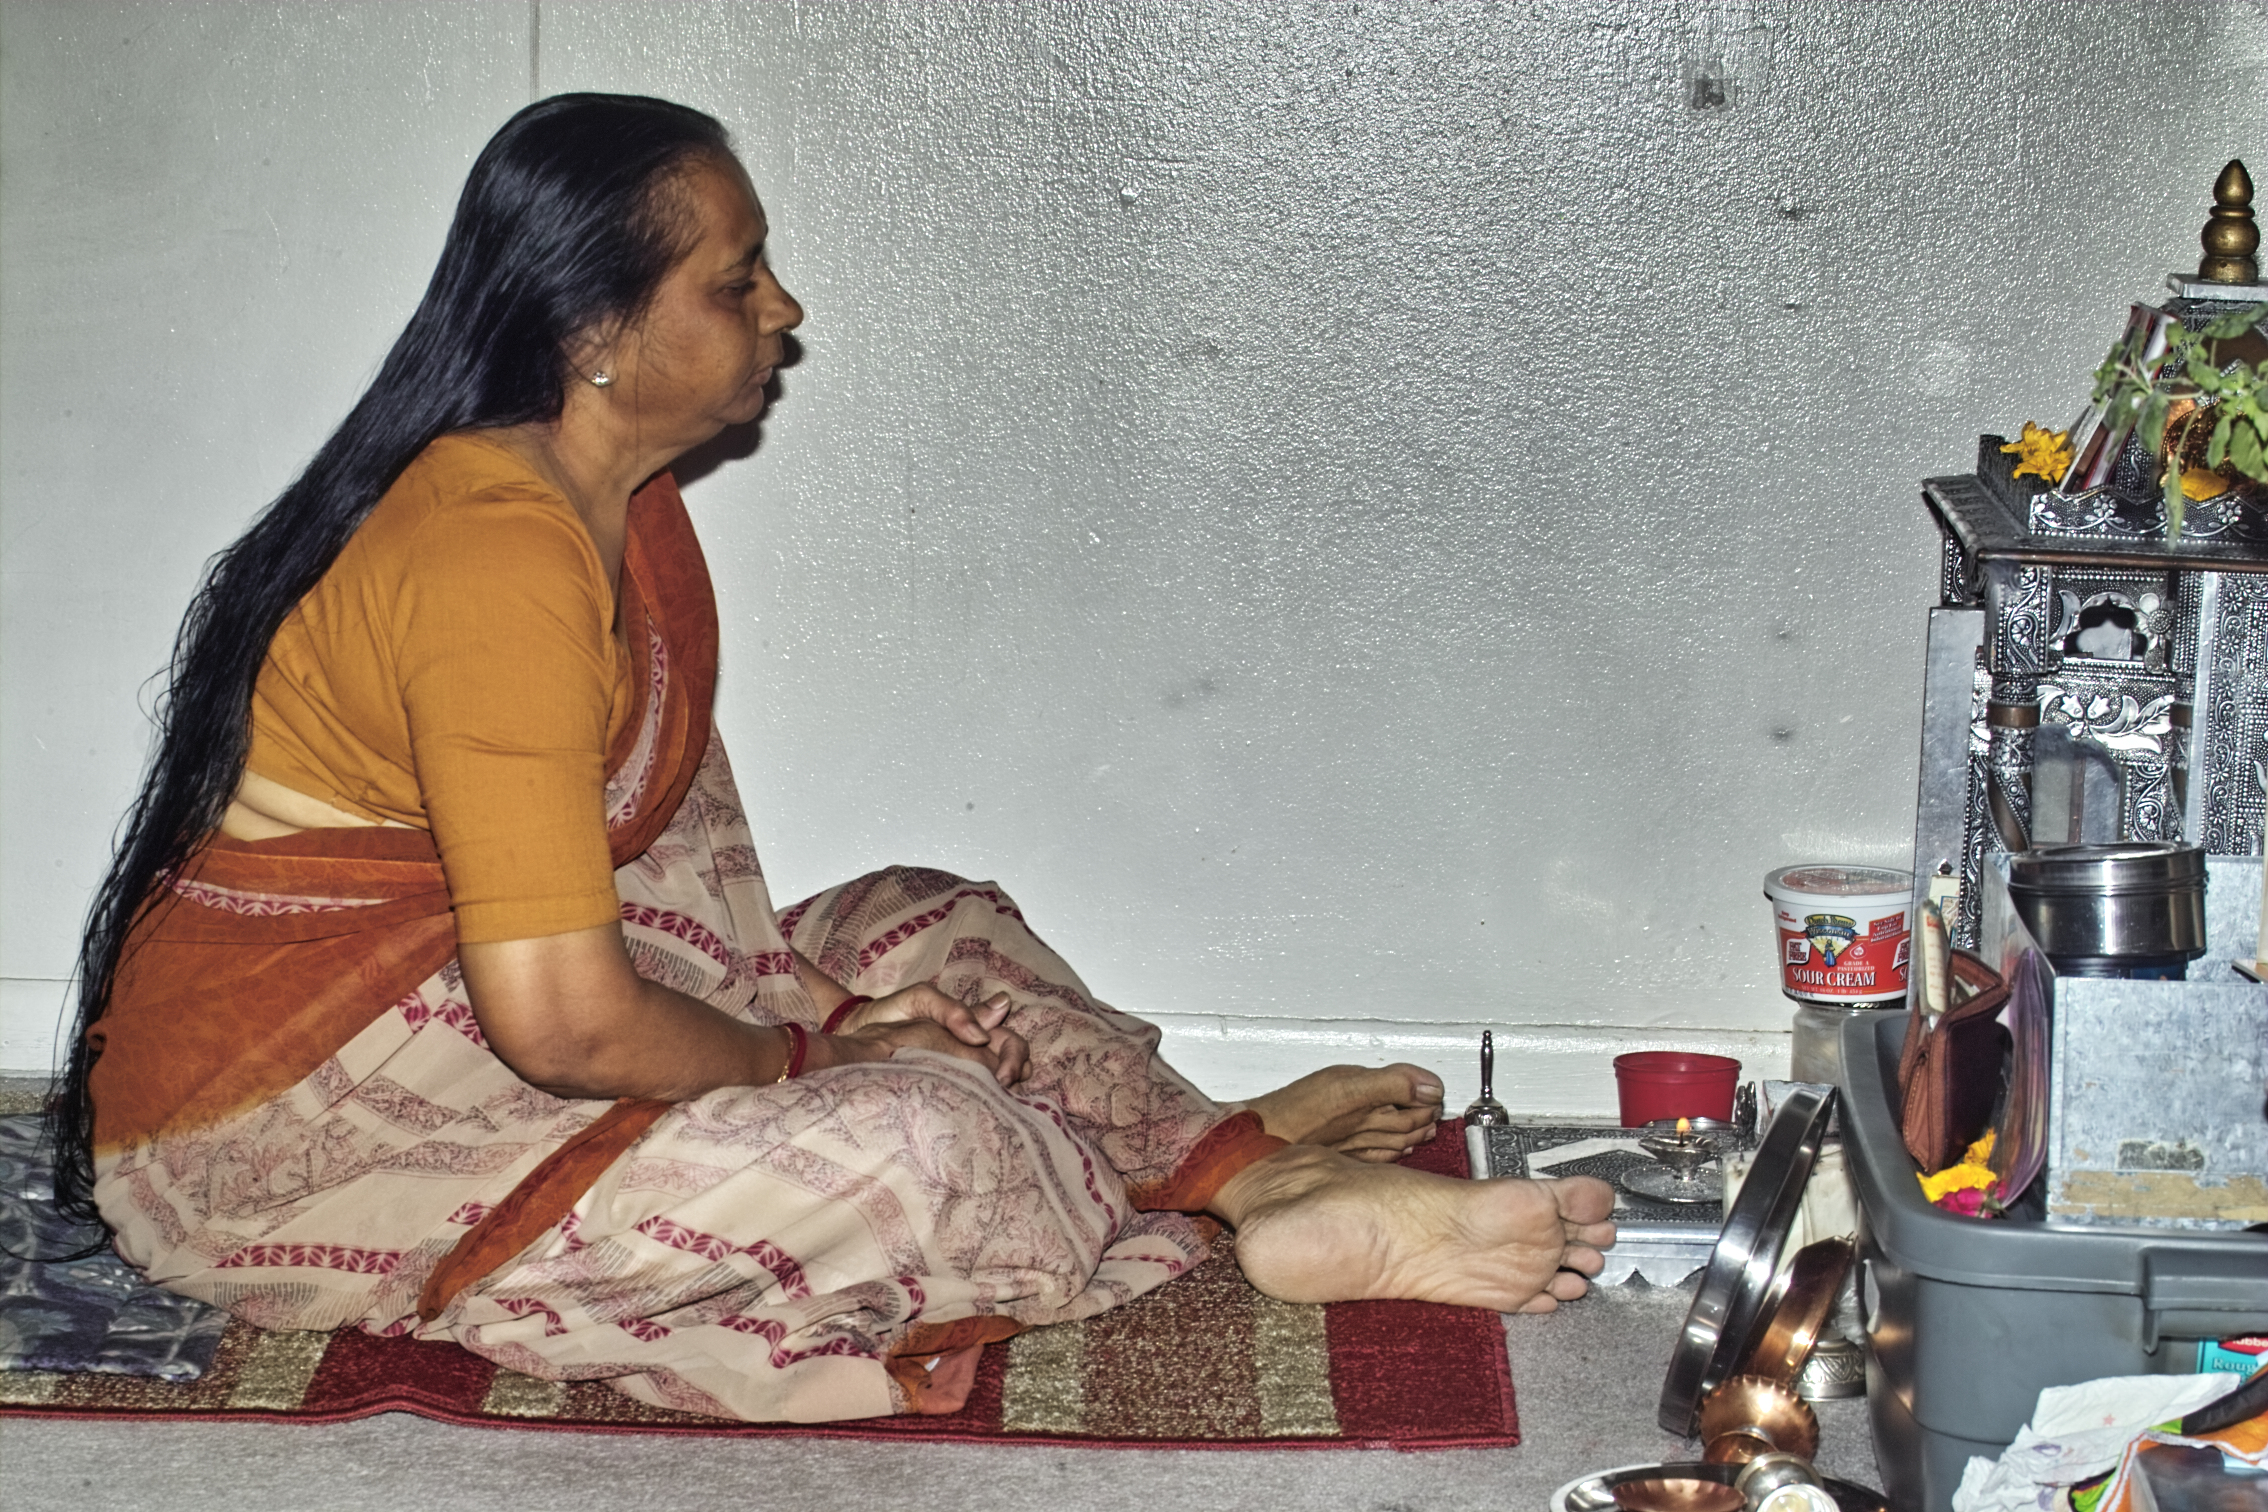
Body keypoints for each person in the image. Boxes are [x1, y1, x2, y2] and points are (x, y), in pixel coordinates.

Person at [52, 93, 1615, 1424]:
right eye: (738, 282)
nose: (784, 310)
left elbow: (651, 895)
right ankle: (1196, 1182)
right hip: (290, 1142)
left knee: (930, 922)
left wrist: (832, 1010)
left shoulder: (613, 509)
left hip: (484, 1020)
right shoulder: (493, 553)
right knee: (922, 1138)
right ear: (595, 332)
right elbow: (567, 1022)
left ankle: (1242, 1171)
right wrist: (821, 1061)